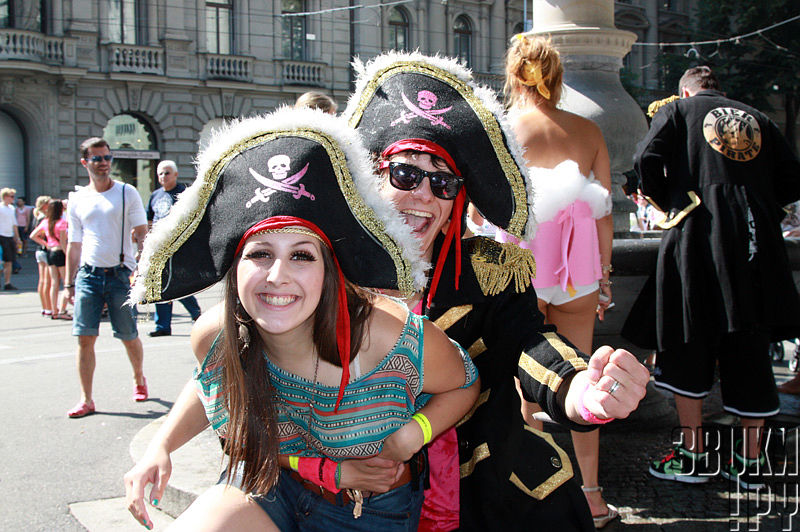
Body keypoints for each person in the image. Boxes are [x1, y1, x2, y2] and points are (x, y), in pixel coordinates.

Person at [124, 108, 479, 531]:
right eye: (259, 254)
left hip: (365, 510)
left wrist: (411, 435)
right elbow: (211, 384)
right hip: (266, 484)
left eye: (301, 255)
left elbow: (464, 383)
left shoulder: (388, 337)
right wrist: (160, 447)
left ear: (329, 270)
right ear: (234, 268)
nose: (278, 276)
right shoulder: (216, 334)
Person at [342, 51, 649, 531]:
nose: (424, 193)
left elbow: (529, 343)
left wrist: (580, 391)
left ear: (456, 200)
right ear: (373, 179)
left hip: (481, 482)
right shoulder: (326, 267)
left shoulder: (490, 269)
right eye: (406, 174)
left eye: (443, 182)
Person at [623, 66, 800, 490]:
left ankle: (693, 455)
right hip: (757, 243)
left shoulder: (680, 110)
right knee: (750, 343)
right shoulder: (756, 116)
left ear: (685, 89)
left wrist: (672, 203)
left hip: (698, 235)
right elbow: (793, 178)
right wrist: (757, 203)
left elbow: (644, 159)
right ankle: (751, 463)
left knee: (689, 339)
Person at [495, 35, 618, 528]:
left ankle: (526, 487)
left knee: (519, 380)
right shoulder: (588, 130)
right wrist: (604, 277)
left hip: (520, 264)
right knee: (583, 384)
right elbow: (605, 211)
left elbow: (487, 209)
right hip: (578, 266)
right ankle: (591, 495)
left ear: (513, 75)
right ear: (558, 76)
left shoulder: (504, 128)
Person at [63, 137, 149, 418]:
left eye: (107, 158)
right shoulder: (77, 198)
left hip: (120, 275)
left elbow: (141, 232)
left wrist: (141, 266)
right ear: (85, 162)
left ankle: (138, 377)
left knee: (128, 334)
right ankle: (86, 399)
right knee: (84, 338)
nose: (103, 163)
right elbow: (74, 244)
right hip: (88, 274)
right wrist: (68, 284)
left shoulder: (127, 193)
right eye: (97, 158)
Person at [145, 160, 201, 336]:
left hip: (178, 247)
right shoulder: (155, 195)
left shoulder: (184, 194)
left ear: (176, 175)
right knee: (159, 285)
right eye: (160, 173)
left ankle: (196, 313)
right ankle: (162, 326)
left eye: (167, 173)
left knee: (177, 284)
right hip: (158, 248)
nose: (163, 176)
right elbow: (149, 220)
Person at [30, 198, 71, 319]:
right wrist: (68, 255)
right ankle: (62, 310)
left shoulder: (46, 221)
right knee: (66, 282)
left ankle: (54, 310)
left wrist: (46, 244)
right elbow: (63, 242)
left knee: (54, 283)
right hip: (59, 252)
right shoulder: (62, 223)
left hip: (50, 253)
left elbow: (33, 236)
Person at [32, 196, 53, 315]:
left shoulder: (37, 216)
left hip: (39, 251)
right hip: (44, 251)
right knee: (47, 281)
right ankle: (48, 307)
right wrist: (47, 244)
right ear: (44, 205)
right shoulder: (44, 218)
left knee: (43, 281)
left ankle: (45, 307)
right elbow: (35, 235)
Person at [0, 187, 21, 290]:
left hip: (9, 237)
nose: (13, 198)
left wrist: (17, 238)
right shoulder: (0, 208)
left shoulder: (12, 208)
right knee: (1, 261)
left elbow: (14, 224)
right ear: (5, 197)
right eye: (11, 196)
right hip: (1, 236)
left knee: (9, 261)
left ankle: (7, 283)